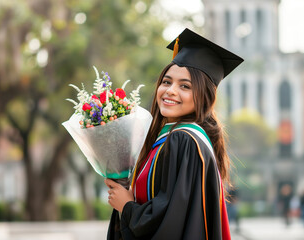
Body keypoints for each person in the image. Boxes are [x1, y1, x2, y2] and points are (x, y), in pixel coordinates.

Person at [104, 28, 243, 240]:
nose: (170, 90)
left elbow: (171, 219)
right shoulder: (168, 138)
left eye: (185, 86)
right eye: (167, 82)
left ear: (203, 96)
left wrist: (127, 207)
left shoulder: (185, 140)